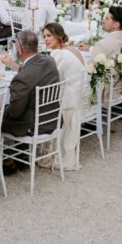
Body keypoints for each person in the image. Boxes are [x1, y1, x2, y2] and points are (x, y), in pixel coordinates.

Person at [41, 22, 90, 170]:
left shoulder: (59, 54)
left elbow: (46, 77)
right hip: (81, 96)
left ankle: (49, 152)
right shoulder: (73, 49)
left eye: (49, 36)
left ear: (59, 36)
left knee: (40, 101)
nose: (46, 40)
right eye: (44, 36)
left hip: (69, 100)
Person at [0, 30, 60, 149]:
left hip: (32, 125)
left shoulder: (21, 79)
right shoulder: (49, 61)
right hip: (52, 119)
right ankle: (18, 153)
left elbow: (14, 112)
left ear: (20, 50)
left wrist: (1, 110)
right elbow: (33, 73)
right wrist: (13, 65)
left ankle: (7, 159)